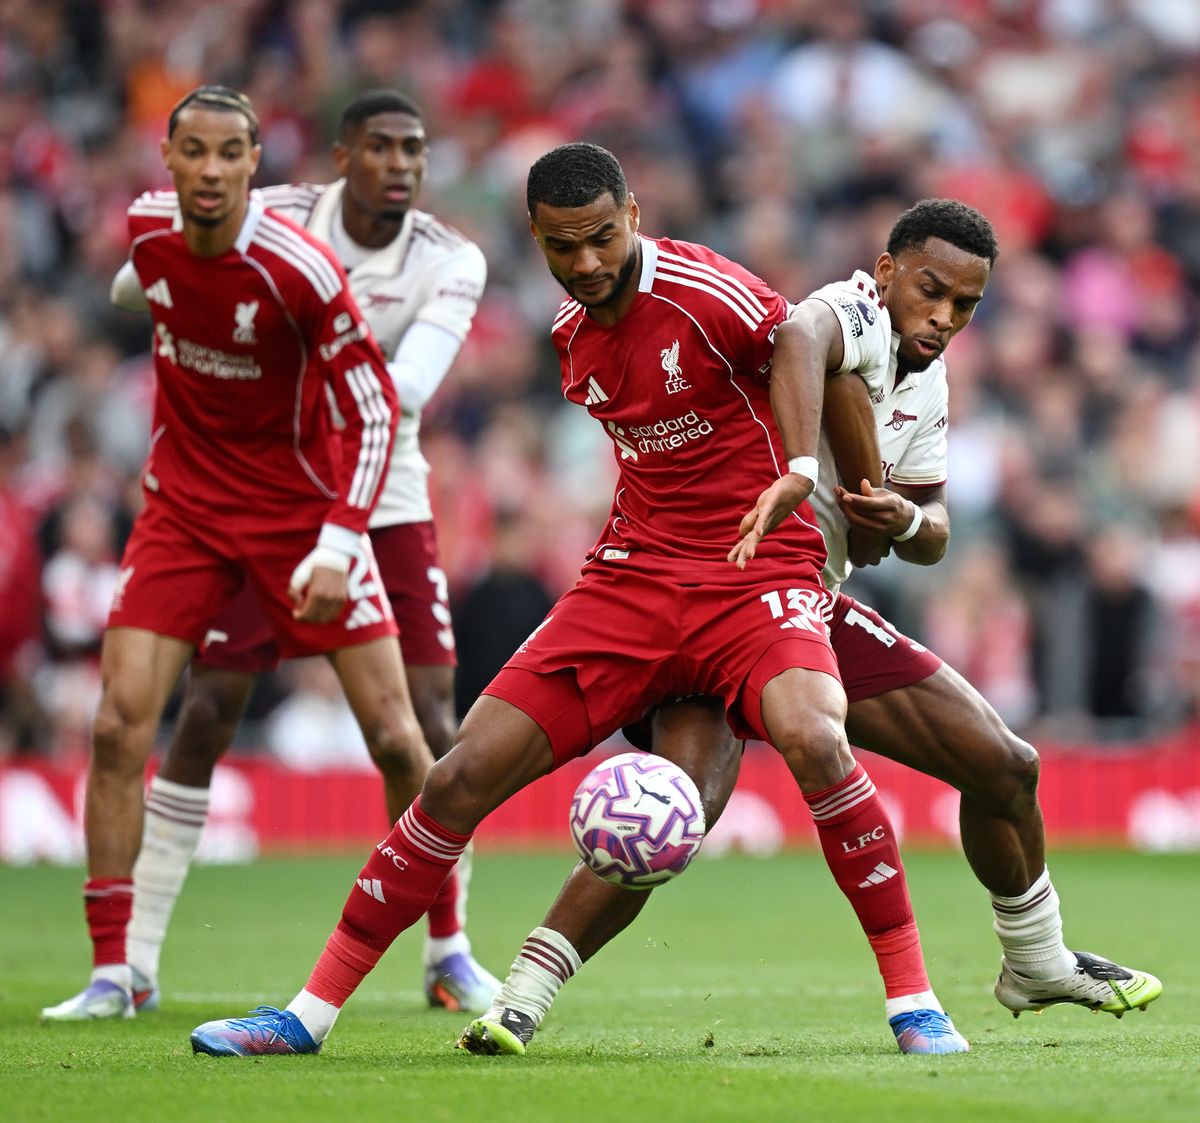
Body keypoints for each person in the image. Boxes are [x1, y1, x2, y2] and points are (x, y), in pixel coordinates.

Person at [189, 142, 969, 1059]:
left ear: (633, 215)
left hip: (759, 574)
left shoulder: (711, 296)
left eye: (602, 237)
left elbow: (818, 351)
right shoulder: (569, 334)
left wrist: (830, 476)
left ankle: (915, 1000)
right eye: (565, 247)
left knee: (814, 732)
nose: (588, 261)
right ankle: (305, 1015)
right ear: (538, 239)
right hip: (631, 581)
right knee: (457, 776)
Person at [454, 199, 1164, 1059]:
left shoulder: (928, 381)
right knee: (679, 810)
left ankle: (1037, 960)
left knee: (1006, 764)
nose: (944, 317)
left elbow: (933, 531)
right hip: (714, 586)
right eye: (931, 292)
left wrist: (902, 519)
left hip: (806, 604)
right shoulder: (851, 310)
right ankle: (525, 993)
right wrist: (800, 466)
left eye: (966, 306)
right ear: (891, 271)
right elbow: (798, 335)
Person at [106, 90, 499, 1016]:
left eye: (415, 149)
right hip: (271, 482)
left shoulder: (451, 259)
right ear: (341, 157)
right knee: (207, 706)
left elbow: (400, 389)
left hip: (383, 481)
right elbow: (147, 276)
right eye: (381, 148)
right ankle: (137, 960)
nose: (401, 165)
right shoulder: (273, 211)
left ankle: (447, 947)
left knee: (428, 722)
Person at [40, 85, 419, 1022]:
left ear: (257, 165)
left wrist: (340, 540)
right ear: (166, 162)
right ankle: (113, 970)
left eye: (229, 155)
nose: (210, 171)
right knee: (121, 724)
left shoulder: (299, 269)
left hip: (300, 517)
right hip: (184, 511)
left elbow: (374, 408)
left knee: (400, 739)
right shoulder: (145, 228)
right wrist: (141, 289)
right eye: (194, 153)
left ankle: (445, 943)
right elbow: (141, 277)